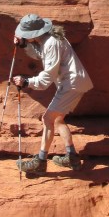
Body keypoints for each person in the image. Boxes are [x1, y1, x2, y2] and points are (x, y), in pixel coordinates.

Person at [12, 13, 93, 176]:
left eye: (26, 35)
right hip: (73, 83)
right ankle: (72, 158)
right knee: (57, 120)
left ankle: (40, 162)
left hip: (71, 85)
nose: (25, 36)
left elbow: (46, 78)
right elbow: (40, 54)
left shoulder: (51, 43)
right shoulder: (48, 39)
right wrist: (24, 44)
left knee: (47, 119)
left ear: (34, 33)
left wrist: (26, 82)